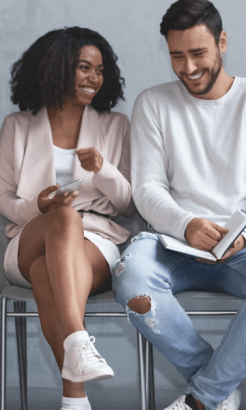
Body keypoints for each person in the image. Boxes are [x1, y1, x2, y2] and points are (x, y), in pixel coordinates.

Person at [112, 1, 246, 409]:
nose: (188, 67)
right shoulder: (152, 102)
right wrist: (186, 224)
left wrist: (245, 232)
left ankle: (201, 400)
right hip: (172, 244)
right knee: (131, 277)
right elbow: (147, 189)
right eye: (177, 56)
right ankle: (218, 388)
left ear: (223, 42)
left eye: (198, 53)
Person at [0, 27, 135, 410]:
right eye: (83, 67)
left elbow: (127, 205)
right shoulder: (17, 126)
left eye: (100, 70)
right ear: (57, 68)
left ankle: (73, 398)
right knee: (61, 217)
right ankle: (78, 339)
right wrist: (38, 206)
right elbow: (3, 197)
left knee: (47, 272)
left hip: (96, 240)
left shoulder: (115, 125)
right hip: (31, 234)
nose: (94, 78)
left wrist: (105, 169)